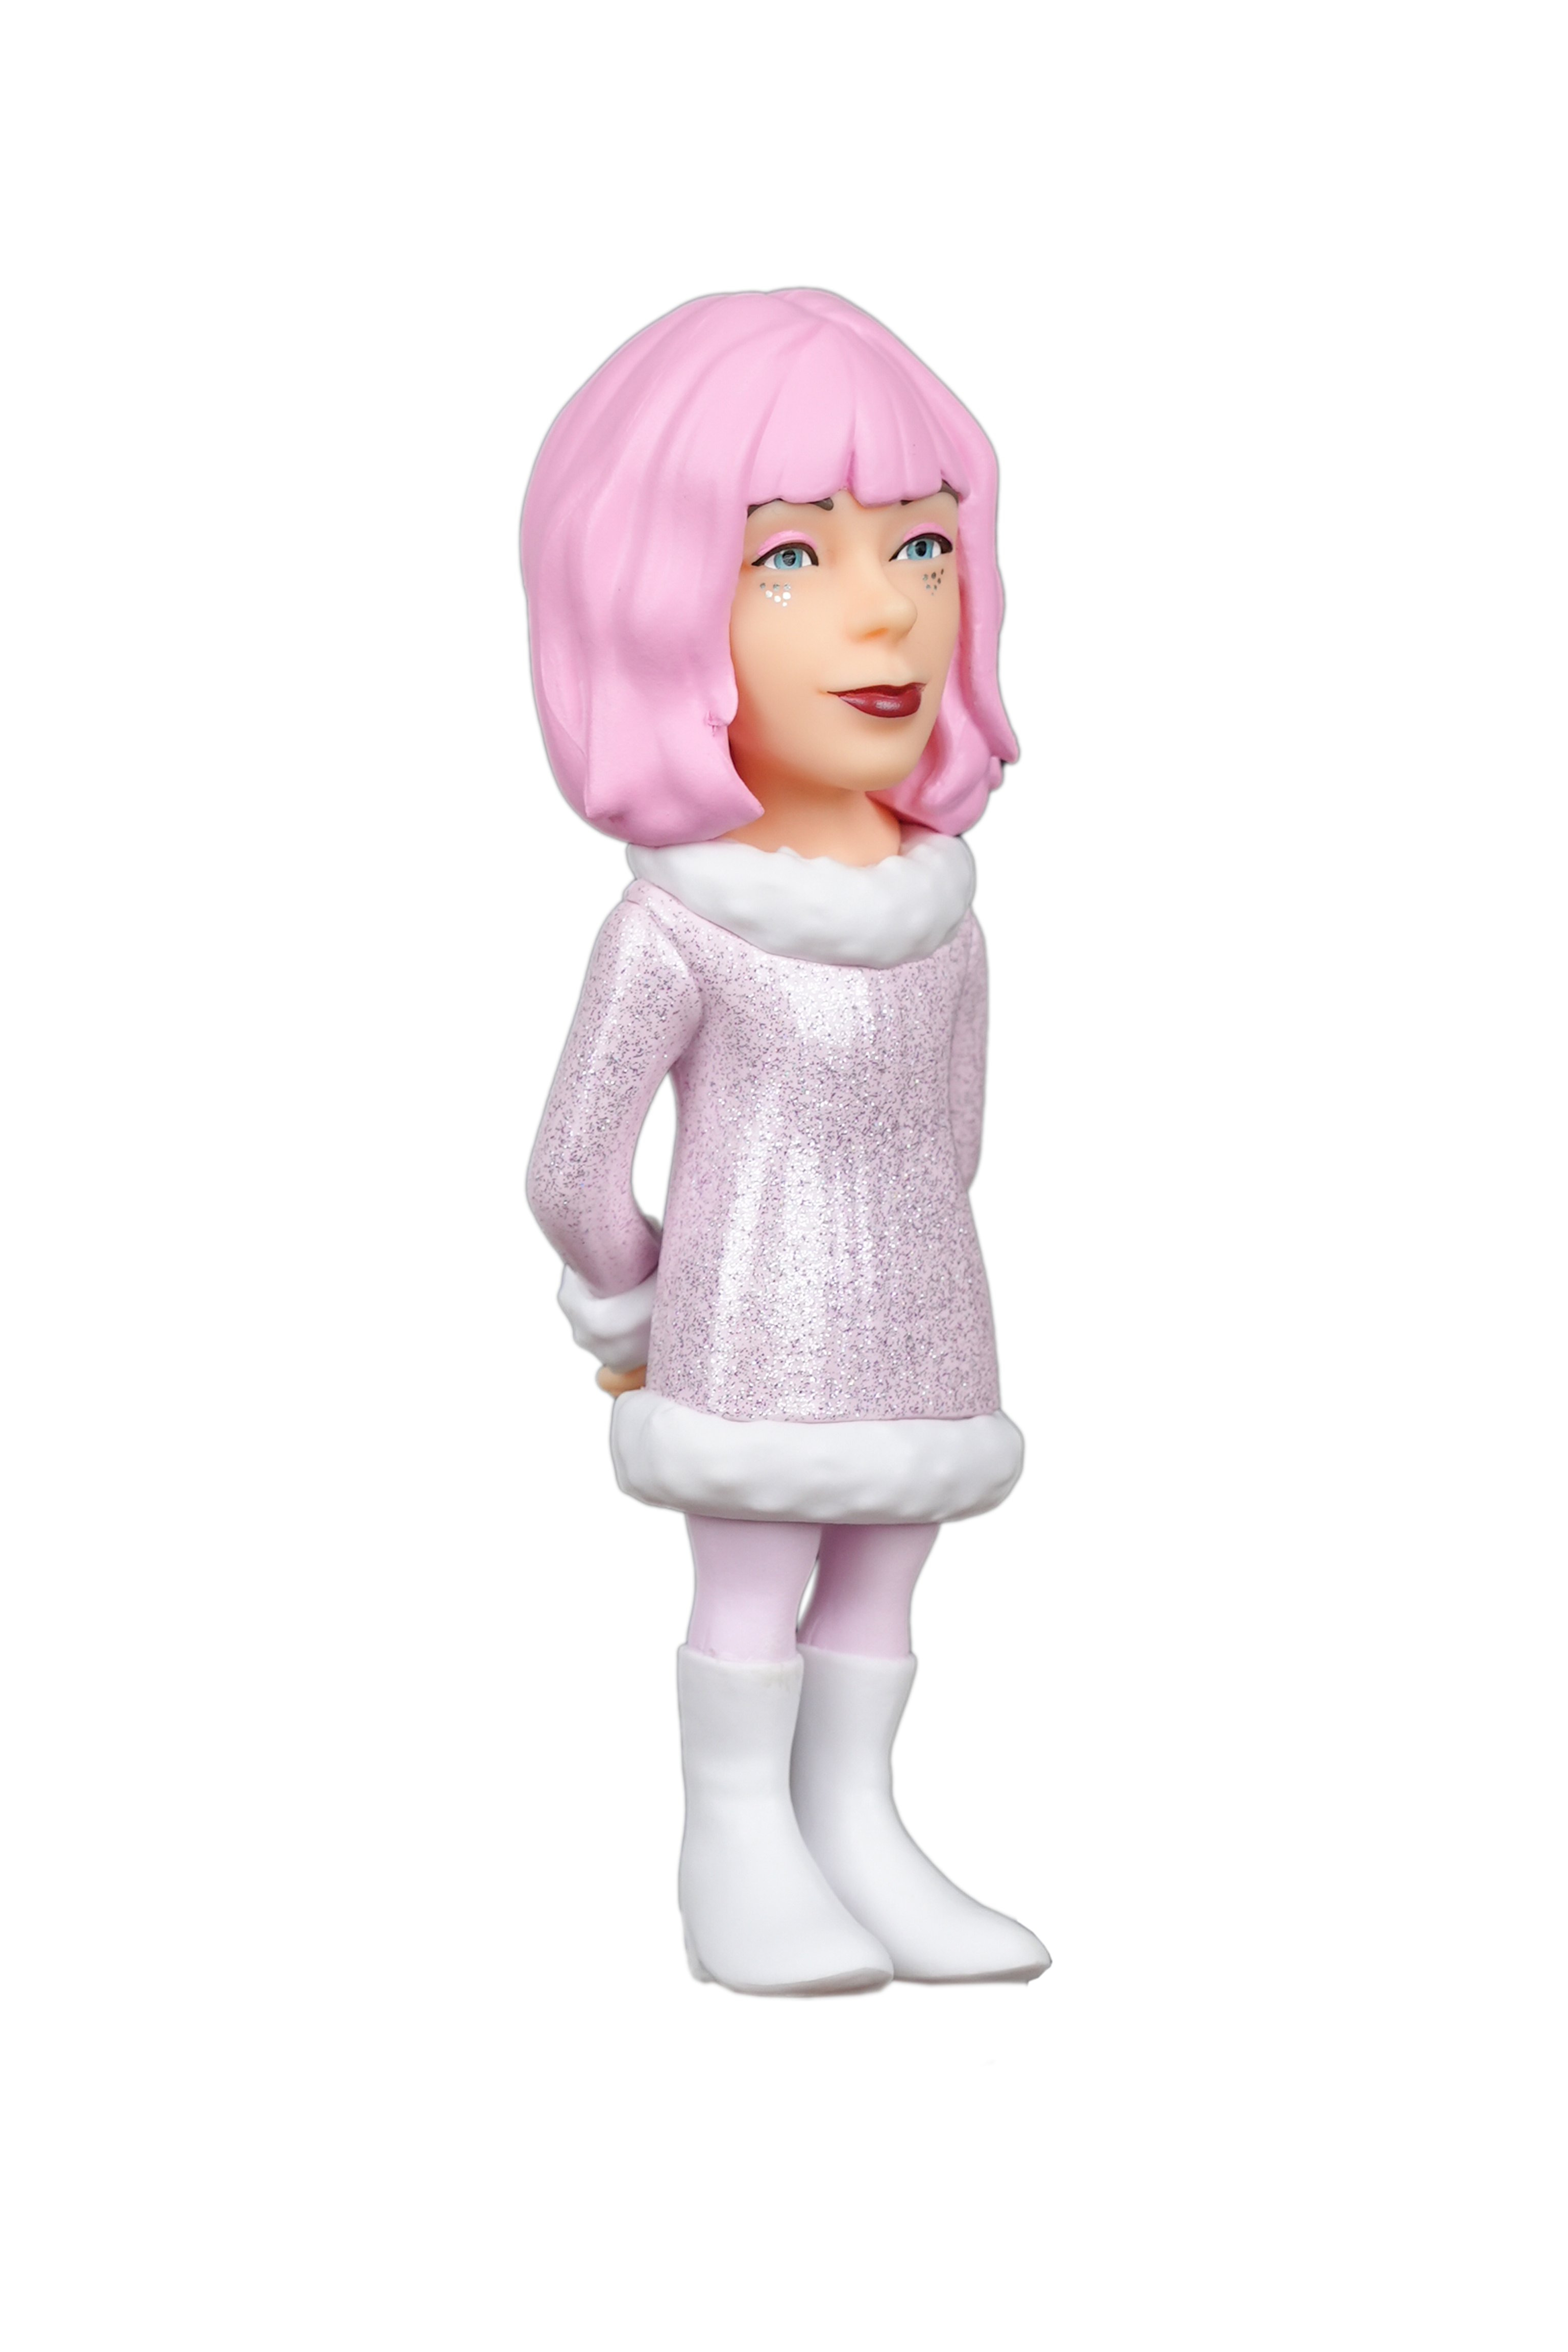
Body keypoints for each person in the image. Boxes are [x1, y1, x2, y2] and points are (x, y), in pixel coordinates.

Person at [523, 289, 1049, 1995]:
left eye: (922, 546)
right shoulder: (679, 928)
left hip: (929, 1316)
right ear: (651, 609)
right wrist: (639, 1311)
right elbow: (571, 1165)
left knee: (885, 1589)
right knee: (751, 1588)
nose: (885, 610)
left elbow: (956, 1140)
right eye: (792, 559)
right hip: (749, 1330)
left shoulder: (944, 919)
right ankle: (737, 1842)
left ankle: (859, 1825)